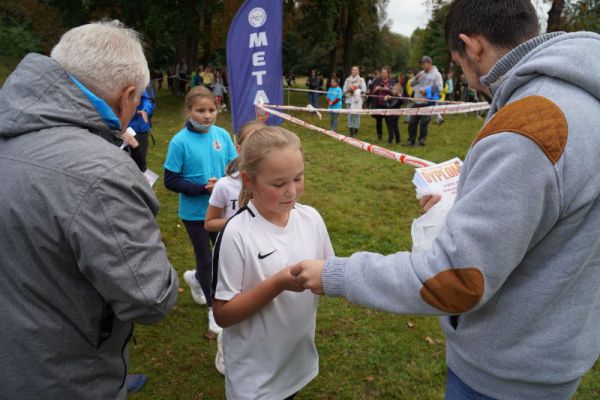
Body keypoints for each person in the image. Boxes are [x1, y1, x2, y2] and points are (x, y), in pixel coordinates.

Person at [291, 1, 600, 399]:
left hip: (503, 372)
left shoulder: (530, 126)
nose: (470, 83)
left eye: (459, 64)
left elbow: (456, 279)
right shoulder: (584, 100)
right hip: (558, 346)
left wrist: (336, 274)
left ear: (472, 47)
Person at [0, 20, 179, 399]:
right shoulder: (101, 173)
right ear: (127, 96)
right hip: (64, 377)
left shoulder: (11, 124)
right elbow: (152, 297)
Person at [213, 126, 334, 400]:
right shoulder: (236, 233)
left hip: (295, 363)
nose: (291, 191)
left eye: (298, 178)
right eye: (278, 184)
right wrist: (278, 283)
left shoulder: (311, 218)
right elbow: (223, 313)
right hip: (254, 377)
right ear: (249, 181)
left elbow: (330, 272)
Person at [163, 86, 237, 338]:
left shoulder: (222, 135)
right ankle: (212, 310)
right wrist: (200, 188)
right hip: (194, 214)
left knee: (224, 255)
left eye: (212, 110)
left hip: (222, 211)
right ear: (189, 111)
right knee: (206, 258)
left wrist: (230, 182)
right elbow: (170, 180)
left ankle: (196, 279)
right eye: (201, 110)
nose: (207, 115)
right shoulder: (179, 142)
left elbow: (234, 167)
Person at [204, 120, 264, 375]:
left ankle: (257, 349)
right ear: (238, 148)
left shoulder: (271, 182)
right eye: (252, 143)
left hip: (262, 256)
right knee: (233, 306)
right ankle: (225, 345)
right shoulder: (225, 185)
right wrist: (237, 222)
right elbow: (209, 223)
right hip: (231, 258)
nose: (260, 149)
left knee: (257, 307)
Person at [406, 56, 443, 146]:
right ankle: (411, 141)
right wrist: (416, 78)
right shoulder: (421, 73)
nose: (422, 66)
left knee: (423, 123)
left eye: (424, 64)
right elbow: (411, 84)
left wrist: (426, 91)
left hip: (427, 102)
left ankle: (421, 141)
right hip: (417, 101)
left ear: (429, 63)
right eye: (421, 64)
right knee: (412, 122)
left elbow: (439, 88)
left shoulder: (436, 74)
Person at [128, 84, 156, 172]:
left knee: (140, 162)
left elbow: (150, 100)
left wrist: (145, 110)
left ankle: (141, 182)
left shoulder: (145, 82)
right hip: (124, 129)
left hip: (141, 130)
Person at [369, 66, 395, 142]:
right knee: (378, 122)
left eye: (384, 73)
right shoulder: (377, 81)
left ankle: (390, 138)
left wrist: (387, 89)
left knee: (389, 122)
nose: (382, 74)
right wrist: (376, 89)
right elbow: (372, 92)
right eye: (382, 73)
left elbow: (394, 93)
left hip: (388, 105)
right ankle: (379, 137)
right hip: (378, 104)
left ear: (388, 74)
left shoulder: (392, 82)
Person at [343, 66, 367, 137]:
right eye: (353, 70)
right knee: (350, 115)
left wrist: (357, 90)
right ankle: (351, 130)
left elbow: (364, 89)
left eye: (356, 70)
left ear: (358, 71)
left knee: (357, 115)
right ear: (351, 71)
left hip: (357, 100)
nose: (354, 71)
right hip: (349, 100)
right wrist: (349, 90)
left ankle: (356, 129)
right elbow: (344, 90)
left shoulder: (361, 80)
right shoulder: (347, 80)